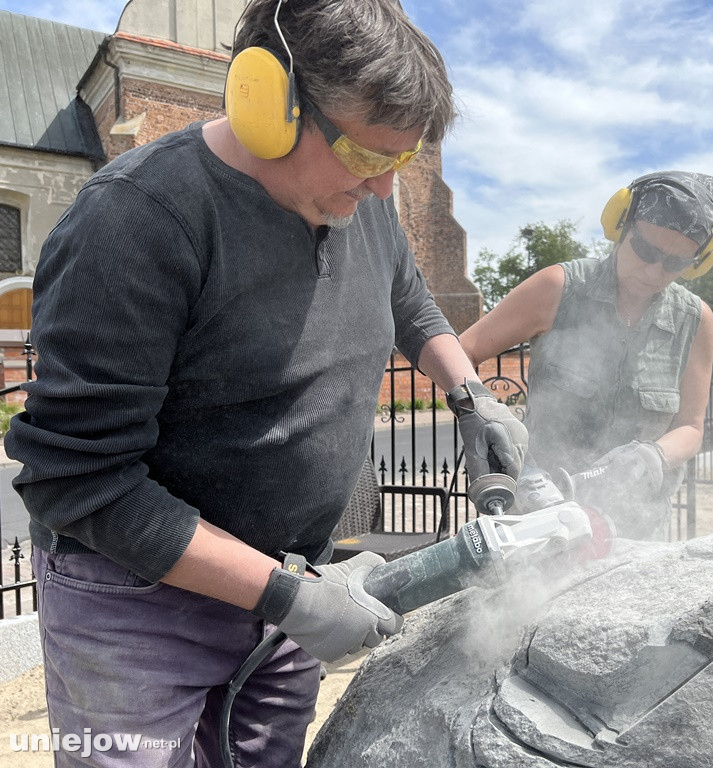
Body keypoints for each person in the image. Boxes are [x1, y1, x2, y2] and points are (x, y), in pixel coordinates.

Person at [5, 0, 527, 765]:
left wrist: (467, 395)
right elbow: (83, 481)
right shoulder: (136, 222)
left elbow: (408, 297)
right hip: (135, 607)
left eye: (399, 162)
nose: (384, 191)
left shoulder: (362, 205)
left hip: (291, 587)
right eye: (366, 156)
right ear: (266, 103)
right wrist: (290, 598)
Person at [460, 171, 713, 540]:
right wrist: (495, 430)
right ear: (620, 225)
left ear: (697, 261)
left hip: (634, 528)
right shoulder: (558, 288)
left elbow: (691, 428)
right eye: (644, 250)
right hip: (539, 519)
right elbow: (462, 353)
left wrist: (652, 456)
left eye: (674, 263)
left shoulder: (695, 321)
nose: (653, 270)